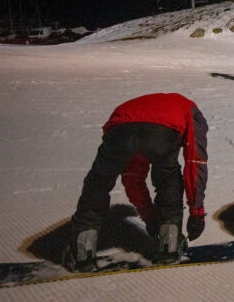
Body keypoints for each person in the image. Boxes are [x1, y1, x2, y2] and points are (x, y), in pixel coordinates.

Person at [69, 93, 209, 271]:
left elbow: (132, 179)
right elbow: (195, 163)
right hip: (162, 130)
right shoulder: (192, 111)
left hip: (120, 125)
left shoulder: (147, 108)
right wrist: (196, 213)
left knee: (99, 182)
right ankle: (169, 245)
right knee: (168, 179)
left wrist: (150, 217)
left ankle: (83, 252)